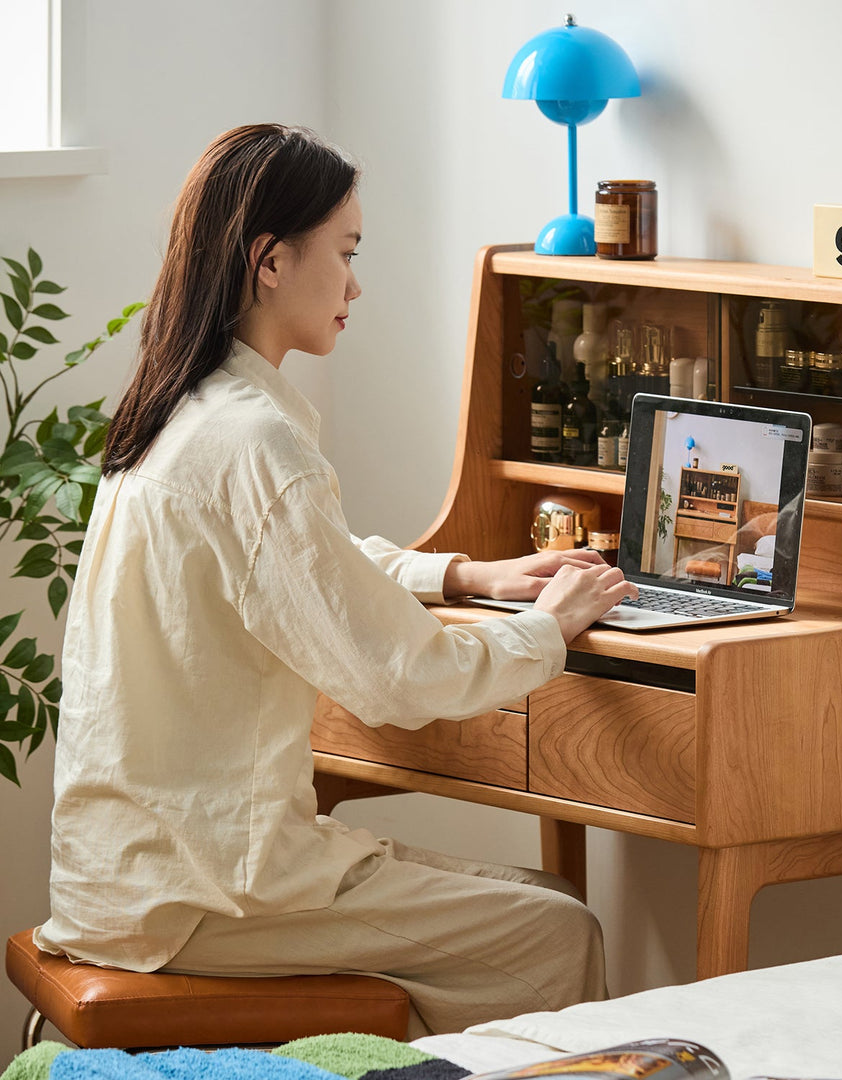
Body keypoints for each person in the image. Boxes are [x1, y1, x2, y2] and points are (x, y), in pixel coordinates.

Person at [34, 123, 636, 1037]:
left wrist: (471, 573)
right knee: (554, 930)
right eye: (346, 253)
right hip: (203, 892)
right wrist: (548, 628)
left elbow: (310, 559)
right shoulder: (256, 443)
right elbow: (397, 679)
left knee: (541, 896)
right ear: (270, 261)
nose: (356, 284)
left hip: (128, 872)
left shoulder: (180, 409)